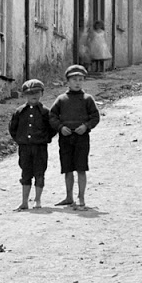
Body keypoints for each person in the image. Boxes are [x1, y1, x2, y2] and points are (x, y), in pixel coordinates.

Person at [51, 65, 101, 208]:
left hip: (81, 138)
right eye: (74, 80)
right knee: (67, 169)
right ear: (68, 81)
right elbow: (52, 116)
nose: (77, 83)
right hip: (65, 138)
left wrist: (86, 126)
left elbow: (95, 117)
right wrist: (61, 127)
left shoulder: (87, 99)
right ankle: (68, 197)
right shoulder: (61, 99)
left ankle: (81, 197)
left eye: (80, 80)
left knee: (81, 168)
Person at [8, 79, 57, 210]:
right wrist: (20, 139)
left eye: (37, 93)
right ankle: (24, 201)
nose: (33, 96)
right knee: (26, 172)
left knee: (39, 172)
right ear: (24, 95)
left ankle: (37, 200)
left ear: (42, 94)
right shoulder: (19, 112)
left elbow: (52, 128)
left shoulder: (45, 112)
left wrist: (44, 138)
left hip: (40, 147)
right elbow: (13, 128)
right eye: (30, 93)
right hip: (25, 147)